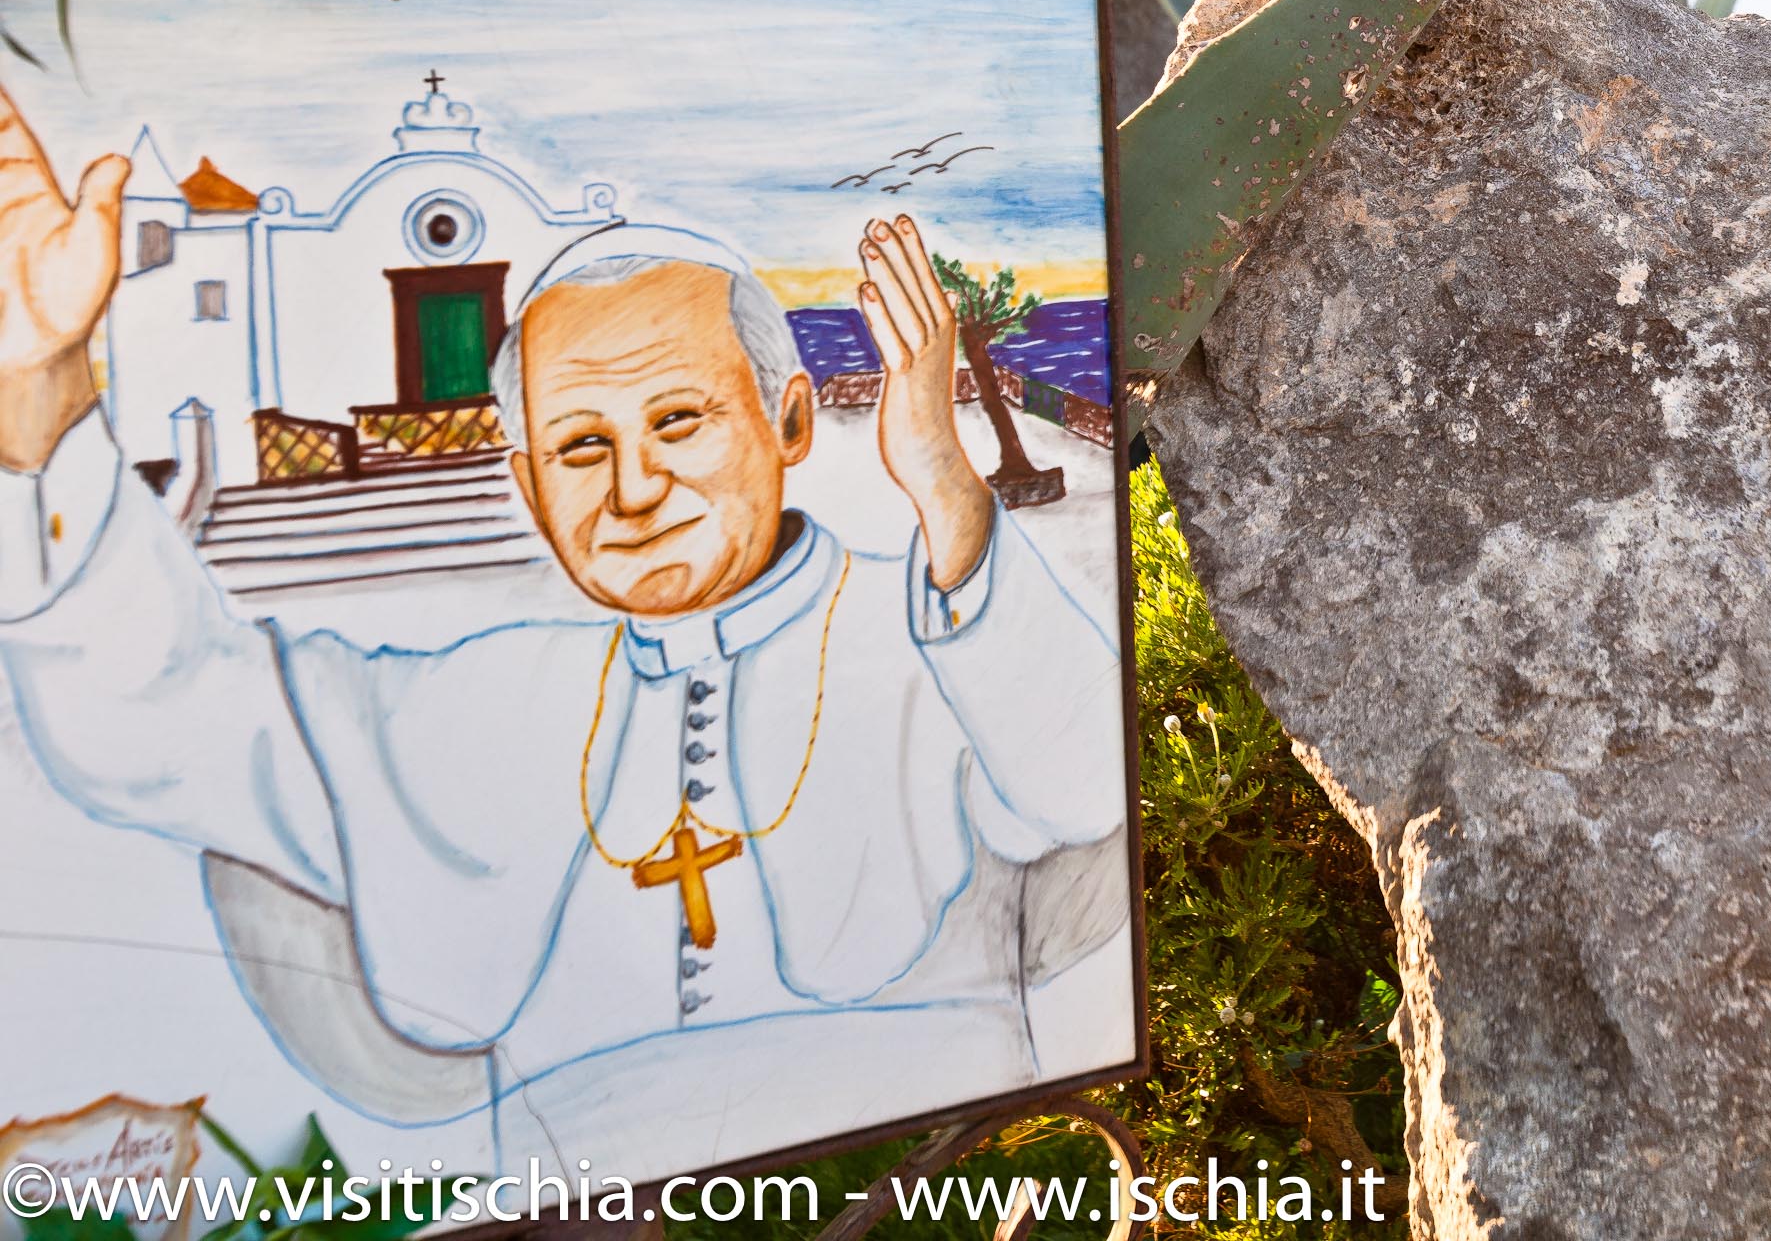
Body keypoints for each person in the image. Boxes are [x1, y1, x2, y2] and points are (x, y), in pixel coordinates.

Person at [0, 84, 1126, 1166]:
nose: (632, 488)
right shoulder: (476, 698)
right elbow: (170, 714)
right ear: (530, 487)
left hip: (940, 1172)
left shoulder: (949, 618)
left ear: (788, 422)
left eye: (678, 421)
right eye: (581, 446)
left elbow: (1093, 785)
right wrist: (45, 390)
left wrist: (950, 492)